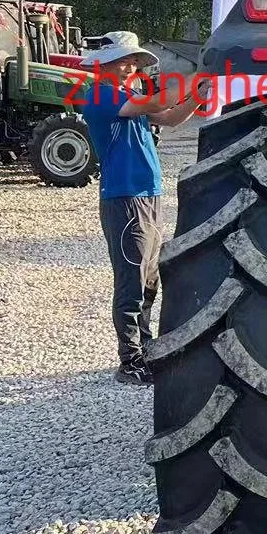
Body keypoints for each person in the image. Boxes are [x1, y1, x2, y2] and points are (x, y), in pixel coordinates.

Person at [75, 32, 211, 385]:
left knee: (149, 279)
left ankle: (145, 351)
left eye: (133, 60)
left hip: (149, 195)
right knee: (131, 281)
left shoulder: (126, 96)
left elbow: (170, 118)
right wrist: (198, 76)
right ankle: (130, 360)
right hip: (124, 199)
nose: (131, 66)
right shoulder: (100, 96)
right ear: (103, 65)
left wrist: (198, 95)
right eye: (125, 60)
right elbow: (157, 104)